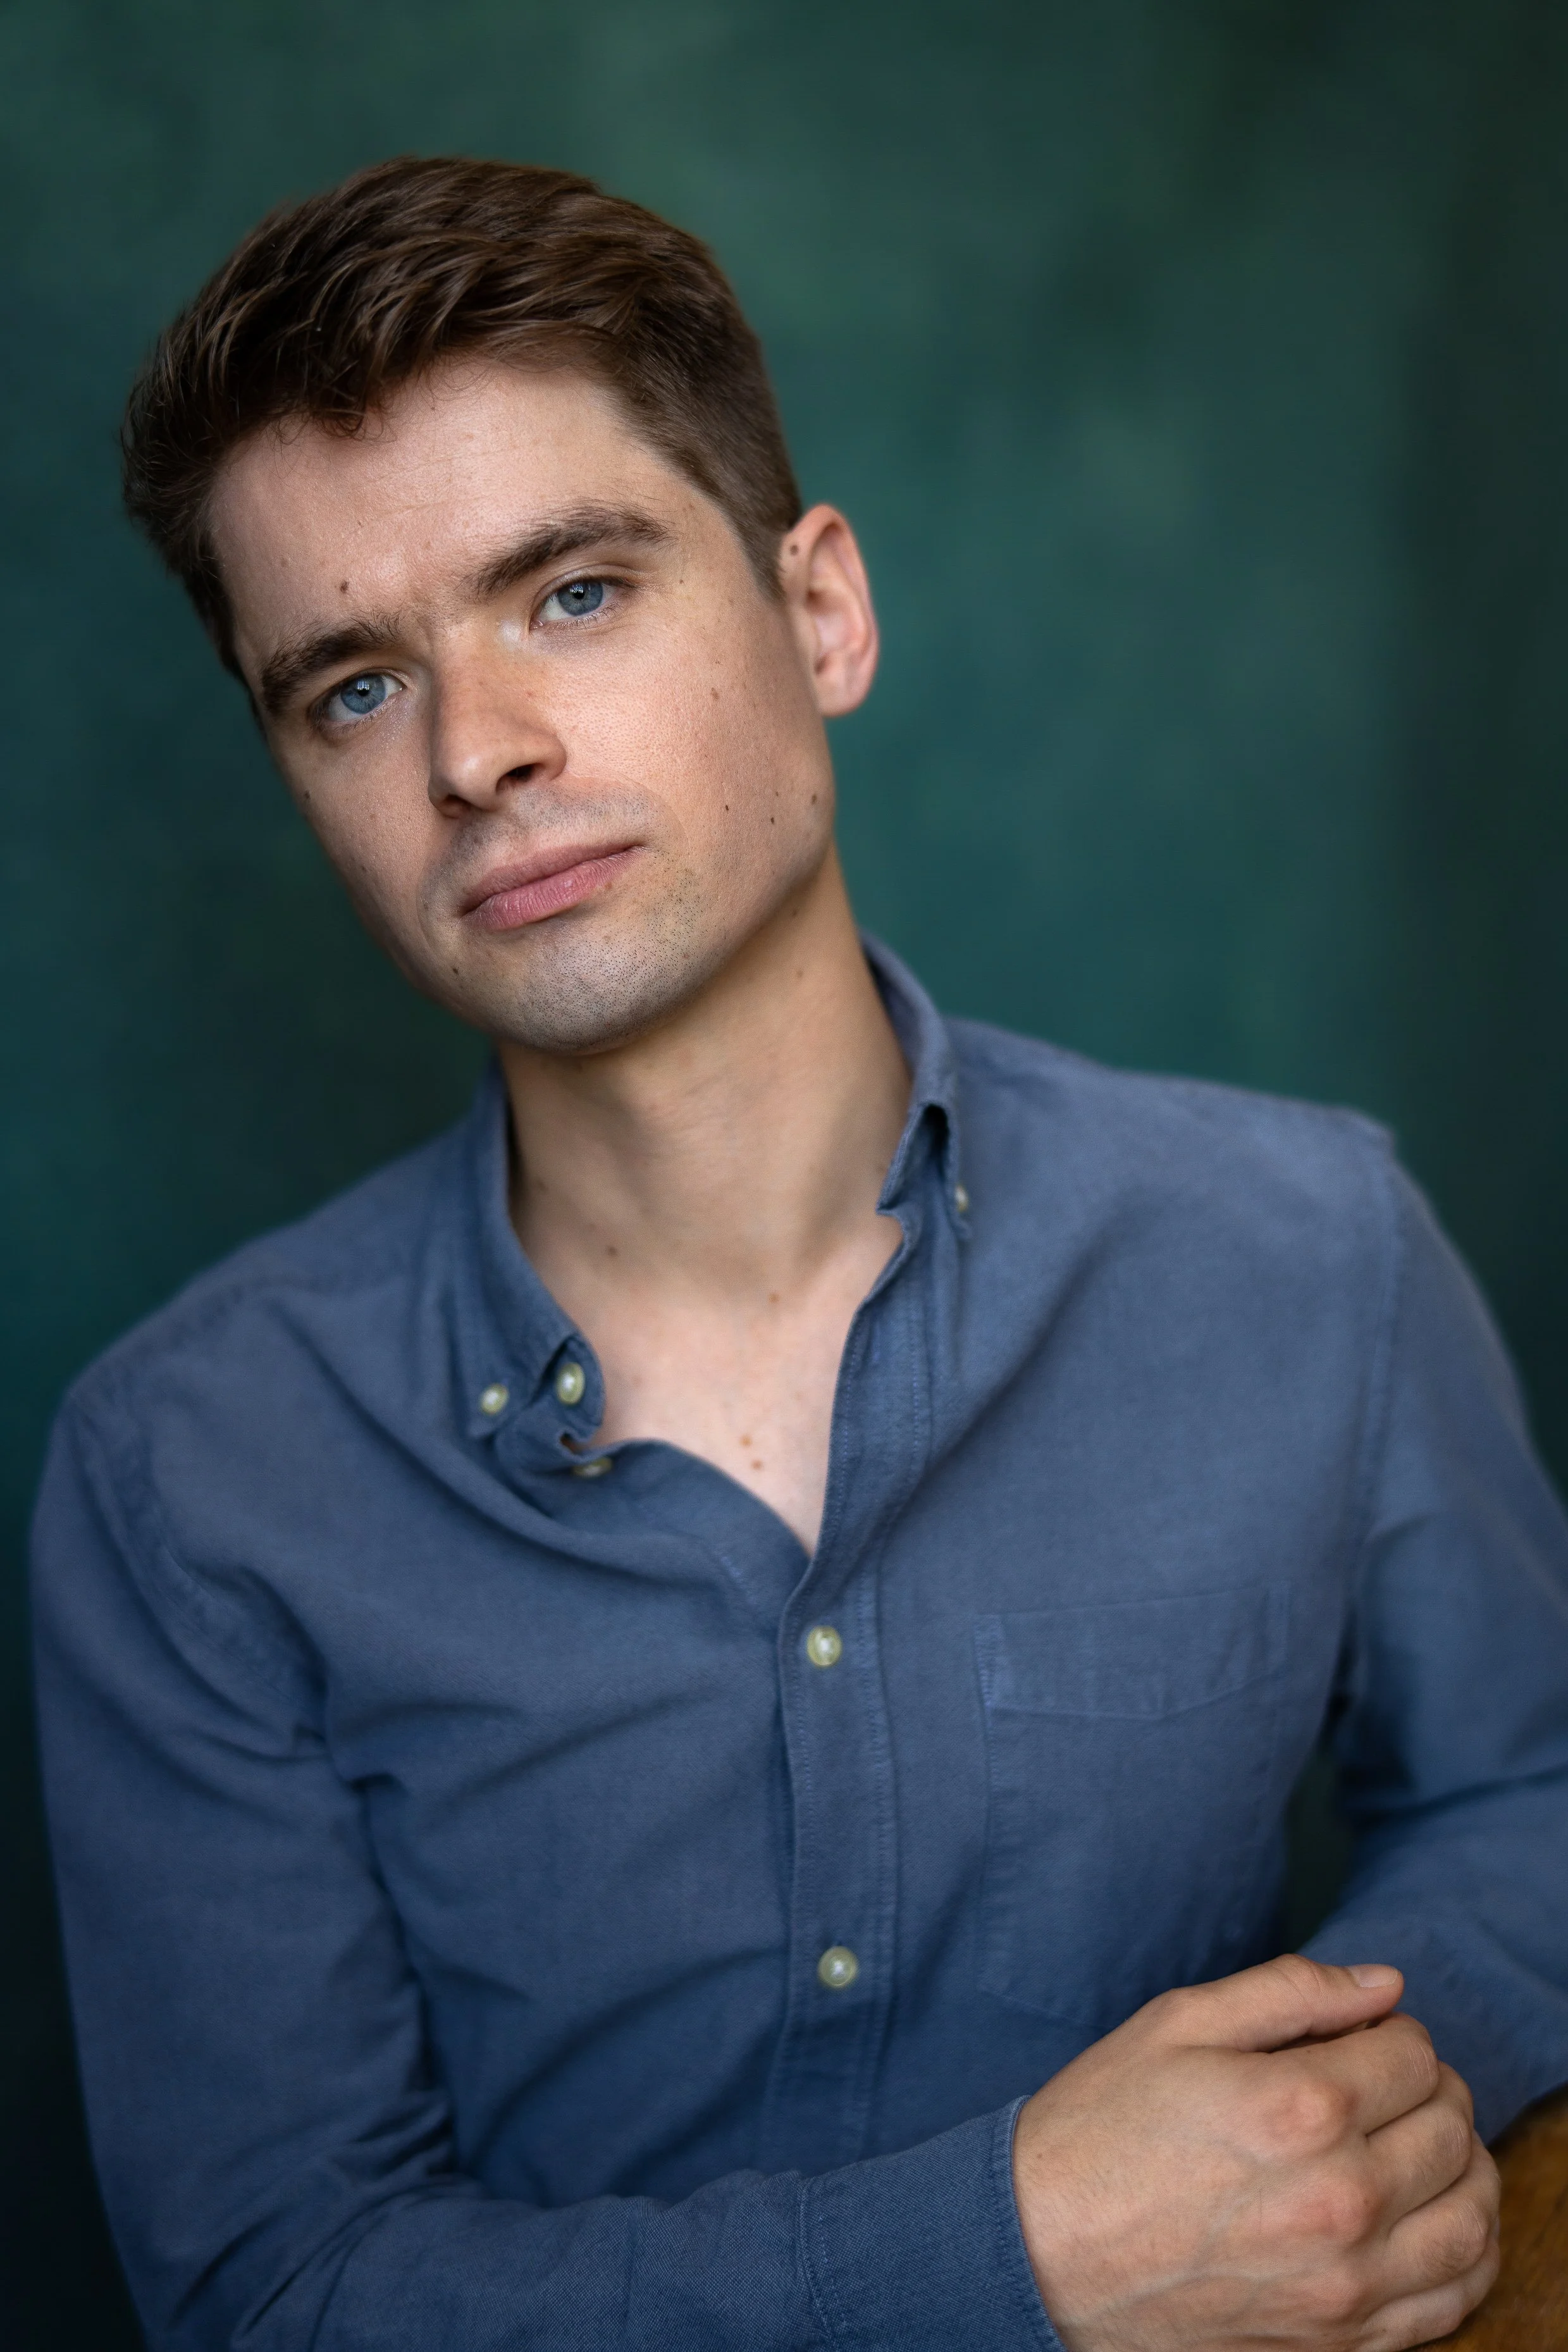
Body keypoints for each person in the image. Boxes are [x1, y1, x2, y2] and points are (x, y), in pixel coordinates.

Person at [30, 156, 1568, 2352]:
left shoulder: (1304, 1248)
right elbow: (280, 2290)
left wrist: (1320, 2134)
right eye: (352, 689)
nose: (482, 752)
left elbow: (1534, 1792)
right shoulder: (183, 1478)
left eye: (570, 592)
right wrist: (1019, 2253)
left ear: (818, 612)